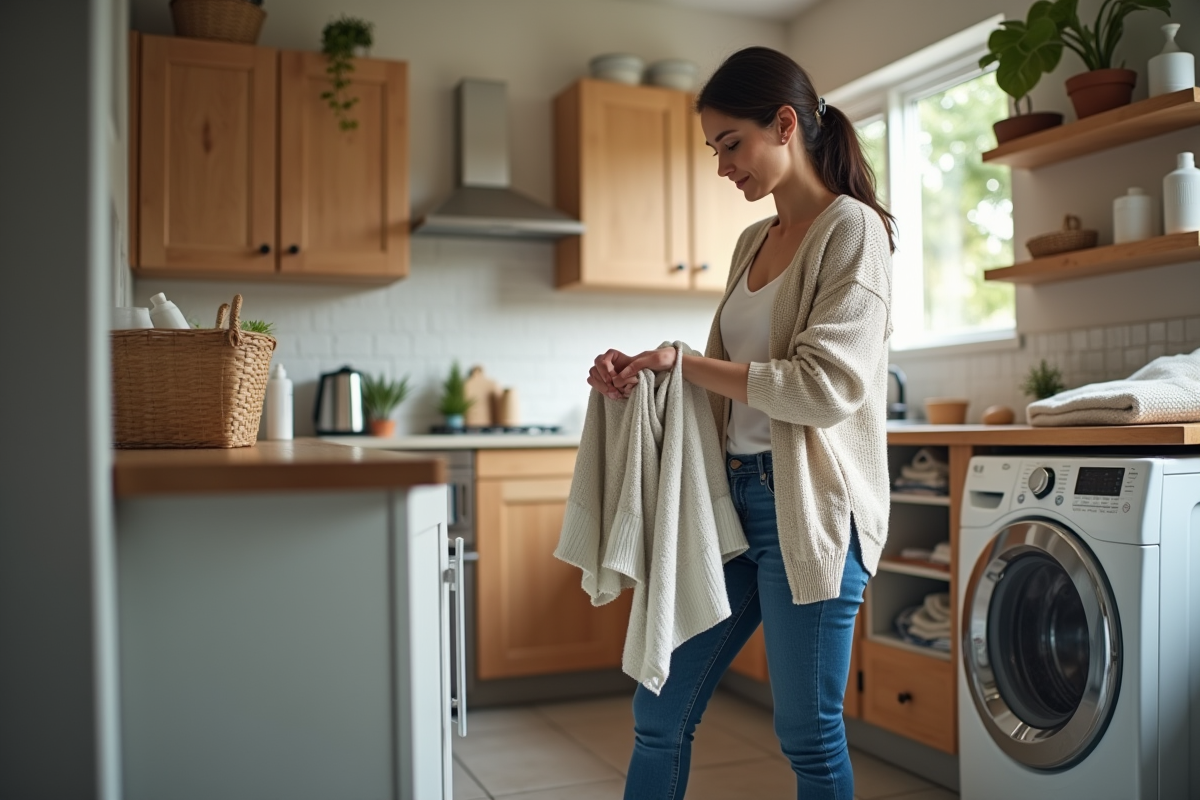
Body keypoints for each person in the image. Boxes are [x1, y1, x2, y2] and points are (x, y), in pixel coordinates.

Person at [585, 46, 896, 800]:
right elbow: (728, 386)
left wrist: (680, 361)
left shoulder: (852, 230)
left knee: (808, 735)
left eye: (732, 143)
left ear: (784, 125)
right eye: (714, 149)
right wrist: (645, 381)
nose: (723, 166)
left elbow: (823, 389)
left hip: (813, 515)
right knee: (658, 709)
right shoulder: (750, 244)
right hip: (731, 505)